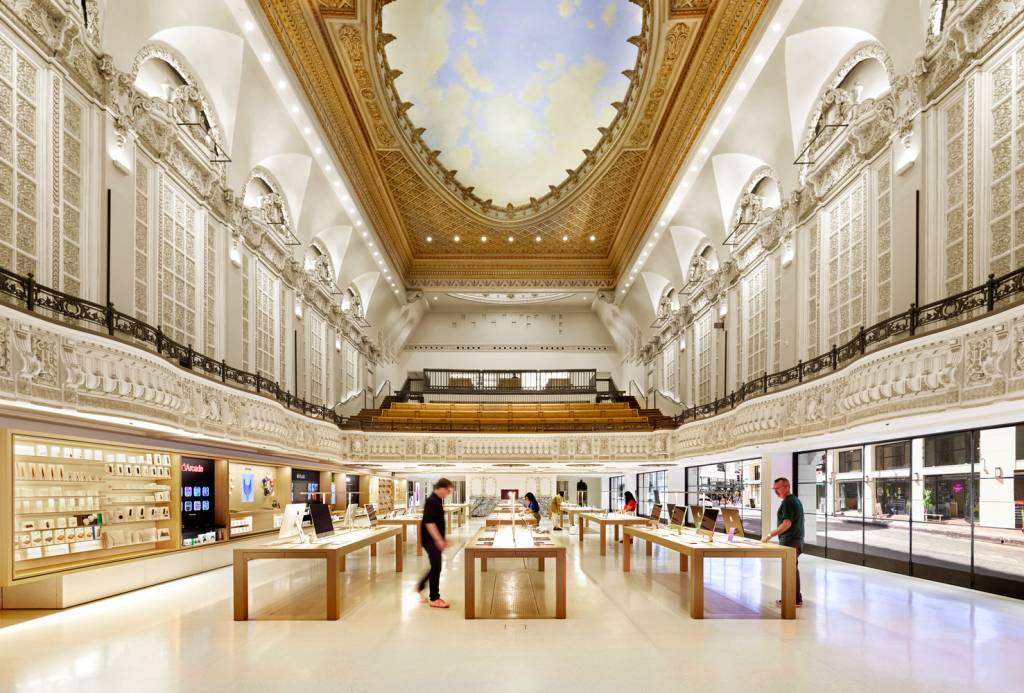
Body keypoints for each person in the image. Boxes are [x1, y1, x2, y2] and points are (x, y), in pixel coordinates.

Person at [763, 477, 805, 607]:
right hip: (795, 540)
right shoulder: (794, 500)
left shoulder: (788, 502)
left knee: (791, 570)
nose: (776, 491)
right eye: (774, 489)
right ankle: (794, 598)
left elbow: (786, 523)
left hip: (791, 541)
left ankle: (794, 600)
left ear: (787, 487)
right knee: (792, 570)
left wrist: (769, 535)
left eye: (778, 488)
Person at [417, 478, 453, 609]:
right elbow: (430, 523)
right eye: (448, 491)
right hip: (430, 540)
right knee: (436, 566)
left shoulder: (437, 500)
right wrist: (438, 540)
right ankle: (434, 598)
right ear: (441, 488)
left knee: (435, 566)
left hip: (433, 540)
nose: (448, 493)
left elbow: (437, 522)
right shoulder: (431, 501)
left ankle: (421, 587)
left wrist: (443, 538)